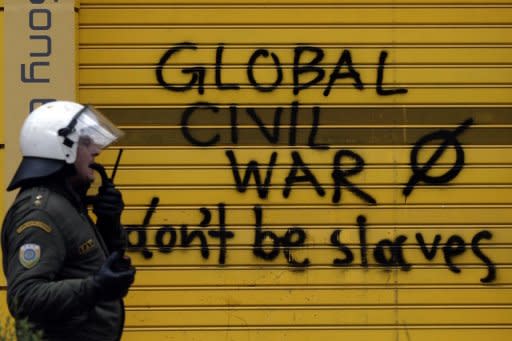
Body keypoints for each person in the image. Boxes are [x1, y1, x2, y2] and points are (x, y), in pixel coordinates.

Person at [1, 100, 136, 340]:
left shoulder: (67, 203)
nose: (96, 150)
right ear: (61, 149)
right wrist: (95, 287)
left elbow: (89, 265)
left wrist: (109, 223)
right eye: (86, 142)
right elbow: (25, 297)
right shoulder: (41, 213)